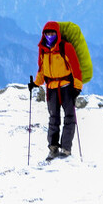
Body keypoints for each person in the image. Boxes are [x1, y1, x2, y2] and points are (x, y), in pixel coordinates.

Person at [27, 21, 83, 160]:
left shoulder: (66, 47)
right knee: (54, 119)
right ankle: (53, 148)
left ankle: (66, 149)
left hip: (66, 87)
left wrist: (77, 87)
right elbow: (42, 70)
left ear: (57, 33)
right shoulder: (43, 50)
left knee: (69, 117)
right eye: (47, 33)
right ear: (44, 34)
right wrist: (35, 83)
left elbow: (76, 68)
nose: (50, 35)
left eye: (52, 33)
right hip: (51, 88)